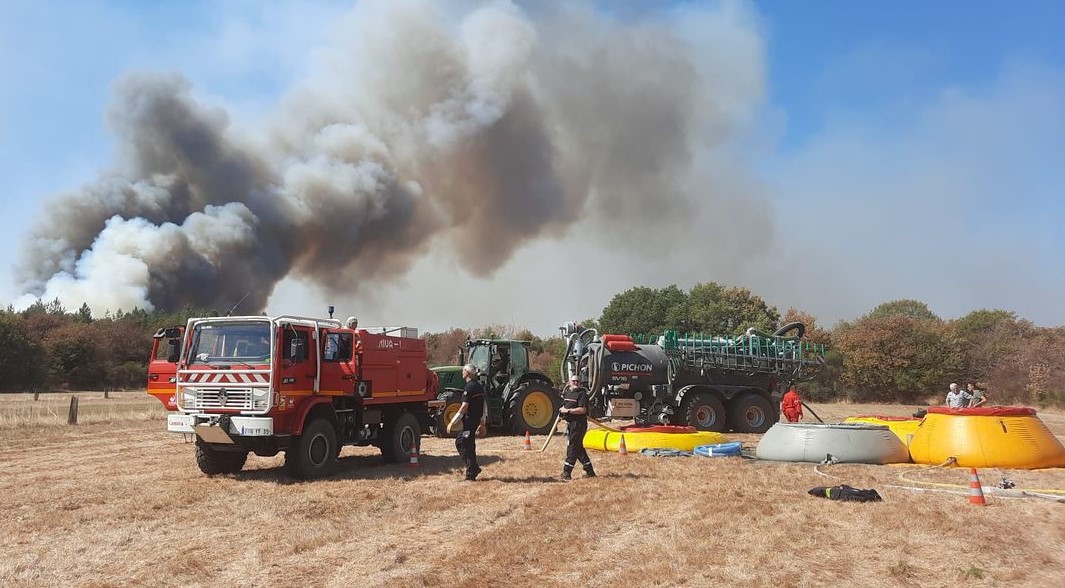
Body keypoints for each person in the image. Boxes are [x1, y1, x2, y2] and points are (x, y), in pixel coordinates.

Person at [451, 364, 487, 481]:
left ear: (467, 373)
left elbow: (464, 406)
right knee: (462, 442)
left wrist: (453, 421)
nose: (462, 372)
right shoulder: (479, 387)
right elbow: (484, 406)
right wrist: (482, 422)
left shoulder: (469, 387)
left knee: (466, 445)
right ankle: (473, 467)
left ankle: (471, 471)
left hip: (470, 421)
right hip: (475, 420)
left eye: (463, 371)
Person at [559, 375, 595, 481]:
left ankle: (566, 473)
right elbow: (564, 406)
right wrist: (562, 412)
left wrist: (569, 411)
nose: (576, 383)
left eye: (577, 381)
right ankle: (589, 470)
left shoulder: (582, 394)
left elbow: (582, 410)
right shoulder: (567, 394)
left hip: (579, 424)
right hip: (571, 424)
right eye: (573, 381)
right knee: (578, 447)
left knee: (573, 447)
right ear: (569, 382)